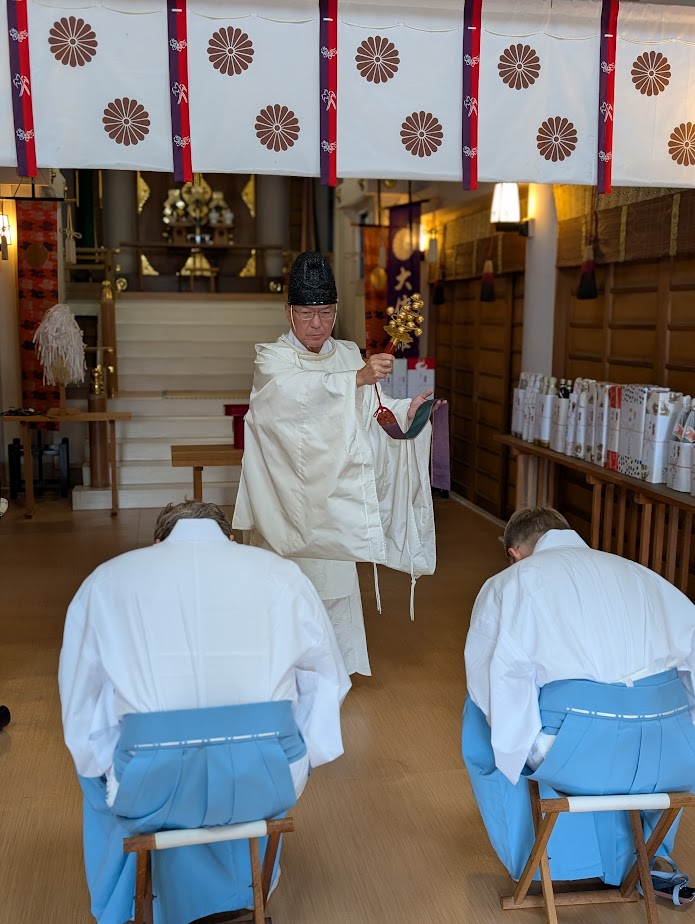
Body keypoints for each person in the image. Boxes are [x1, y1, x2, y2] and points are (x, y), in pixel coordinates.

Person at [58, 500, 350, 924]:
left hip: (151, 789)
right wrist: (303, 754)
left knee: (93, 773)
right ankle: (245, 891)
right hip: (264, 777)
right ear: (231, 539)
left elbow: (81, 703)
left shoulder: (107, 581)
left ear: (156, 542)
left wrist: (111, 763)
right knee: (256, 754)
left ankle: (124, 904)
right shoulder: (282, 575)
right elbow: (329, 681)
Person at [463, 507, 695, 896]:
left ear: (515, 554)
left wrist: (518, 750)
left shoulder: (512, 583)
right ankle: (635, 859)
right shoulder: (642, 576)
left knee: (481, 713)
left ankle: (544, 862)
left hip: (573, 757)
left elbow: (496, 683)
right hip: (668, 756)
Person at [233, 251, 438, 676]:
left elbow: (368, 408)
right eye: (307, 313)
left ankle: (334, 668)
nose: (316, 324)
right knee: (287, 584)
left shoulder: (347, 354)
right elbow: (288, 398)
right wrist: (357, 379)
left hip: (335, 496)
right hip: (286, 498)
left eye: (325, 313)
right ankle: (280, 669)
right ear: (288, 312)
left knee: (334, 582)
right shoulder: (272, 358)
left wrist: (405, 410)